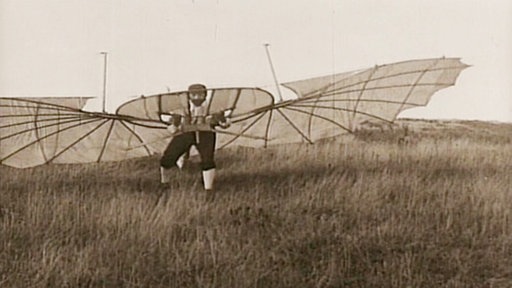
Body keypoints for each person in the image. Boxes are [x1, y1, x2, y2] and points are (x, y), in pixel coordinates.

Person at [159, 84, 230, 198]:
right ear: (189, 95)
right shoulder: (182, 107)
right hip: (186, 133)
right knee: (168, 157)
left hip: (205, 134)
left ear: (205, 95)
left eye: (200, 94)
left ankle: (209, 191)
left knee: (207, 160)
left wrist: (222, 121)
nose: (197, 97)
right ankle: (164, 184)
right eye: (194, 94)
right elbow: (174, 122)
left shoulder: (212, 107)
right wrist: (173, 126)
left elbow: (222, 122)